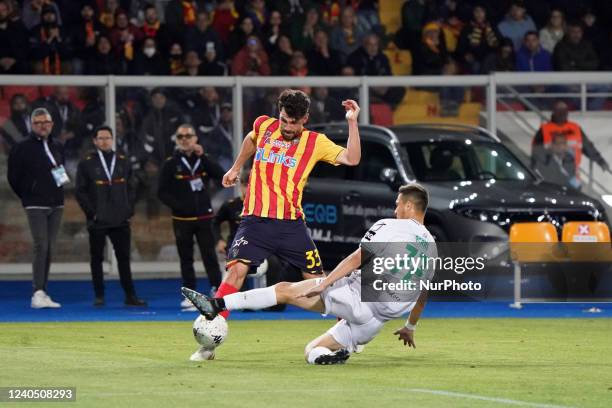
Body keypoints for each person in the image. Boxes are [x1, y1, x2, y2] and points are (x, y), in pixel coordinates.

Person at [183, 184, 436, 364]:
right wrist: (410, 326)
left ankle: (217, 303)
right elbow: (422, 293)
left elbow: (356, 258)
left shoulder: (391, 226)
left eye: (397, 205)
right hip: (373, 325)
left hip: (356, 298)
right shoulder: (432, 247)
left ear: (408, 205)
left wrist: (325, 283)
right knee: (312, 351)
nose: (395, 211)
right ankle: (333, 355)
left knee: (285, 290)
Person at [211, 89, 361, 320]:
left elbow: (352, 159)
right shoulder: (264, 125)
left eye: (294, 123)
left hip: (291, 225)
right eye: (284, 120)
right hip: (255, 221)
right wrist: (236, 166)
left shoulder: (315, 142)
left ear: (305, 119)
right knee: (235, 272)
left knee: (319, 283)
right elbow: (251, 139)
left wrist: (352, 123)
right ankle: (211, 328)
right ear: (278, 113)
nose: (288, 127)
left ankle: (348, 330)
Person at [75, 125, 146, 307]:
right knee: (96, 258)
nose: (104, 141)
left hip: (120, 219)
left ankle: (130, 295)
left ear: (112, 139)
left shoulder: (122, 160)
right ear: (95, 141)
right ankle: (99, 295)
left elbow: (133, 187)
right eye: (101, 138)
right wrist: (92, 213)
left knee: (123, 258)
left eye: (107, 138)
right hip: (97, 220)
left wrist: (128, 210)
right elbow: (80, 191)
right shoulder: (87, 162)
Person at [158, 124, 225, 309]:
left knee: (209, 256)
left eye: (188, 136)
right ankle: (190, 295)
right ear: (177, 140)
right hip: (182, 220)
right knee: (186, 258)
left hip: (204, 217)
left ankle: (217, 292)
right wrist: (179, 206)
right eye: (181, 137)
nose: (185, 139)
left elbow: (221, 176)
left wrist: (203, 155)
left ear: (196, 138)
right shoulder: (171, 162)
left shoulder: (203, 159)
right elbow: (161, 192)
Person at [7, 107, 67, 309]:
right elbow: (13, 177)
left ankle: (42, 290)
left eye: (46, 122)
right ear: (32, 125)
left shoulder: (58, 145)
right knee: (41, 245)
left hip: (56, 203)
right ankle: (37, 292)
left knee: (49, 248)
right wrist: (28, 195)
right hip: (35, 204)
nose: (43, 126)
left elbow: (61, 169)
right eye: (39, 122)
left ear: (52, 124)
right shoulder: (22, 147)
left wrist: (60, 193)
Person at [532, 101, 609, 174]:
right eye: (559, 111)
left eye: (564, 111)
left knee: (576, 186)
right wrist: (534, 168)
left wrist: (601, 161)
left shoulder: (575, 128)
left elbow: (588, 147)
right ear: (554, 112)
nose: (561, 113)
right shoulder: (544, 129)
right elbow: (536, 151)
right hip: (550, 173)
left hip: (572, 172)